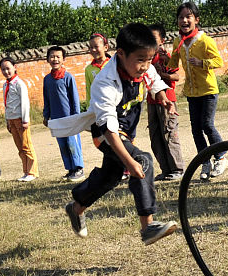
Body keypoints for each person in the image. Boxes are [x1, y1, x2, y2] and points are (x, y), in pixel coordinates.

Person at [59, 23, 178, 245]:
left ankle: (76, 208)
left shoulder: (143, 66)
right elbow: (109, 130)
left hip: (125, 132)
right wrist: (130, 162)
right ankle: (148, 226)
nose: (145, 65)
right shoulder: (105, 83)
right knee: (142, 161)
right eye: (140, 60)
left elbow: (153, 79)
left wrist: (162, 95)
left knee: (110, 176)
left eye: (149, 59)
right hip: (107, 135)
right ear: (121, 54)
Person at [169, 1, 226, 180]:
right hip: (191, 92)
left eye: (188, 17)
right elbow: (172, 65)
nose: (184, 20)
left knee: (207, 125)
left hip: (208, 90)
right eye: (181, 17)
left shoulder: (205, 40)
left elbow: (219, 62)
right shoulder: (178, 41)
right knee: (195, 129)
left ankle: (221, 158)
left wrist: (202, 63)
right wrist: (165, 58)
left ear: (196, 19)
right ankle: (205, 162)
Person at [147, 23, 185, 179]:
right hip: (151, 100)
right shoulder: (147, 57)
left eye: (154, 38)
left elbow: (177, 76)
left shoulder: (165, 57)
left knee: (169, 134)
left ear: (162, 40)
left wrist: (162, 75)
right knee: (155, 136)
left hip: (167, 99)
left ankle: (177, 169)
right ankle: (166, 169)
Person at [42, 46, 85, 180]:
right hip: (56, 119)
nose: (55, 59)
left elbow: (74, 98)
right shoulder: (47, 79)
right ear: (48, 59)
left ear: (63, 59)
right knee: (63, 144)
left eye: (58, 56)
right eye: (52, 56)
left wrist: (76, 116)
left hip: (70, 118)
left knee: (73, 143)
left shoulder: (68, 77)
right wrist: (46, 115)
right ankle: (70, 169)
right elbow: (46, 99)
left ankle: (79, 168)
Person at [0, 57, 39, 181]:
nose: (6, 72)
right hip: (11, 119)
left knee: (26, 145)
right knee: (20, 147)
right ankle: (26, 171)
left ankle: (32, 172)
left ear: (14, 67)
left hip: (20, 119)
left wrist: (25, 120)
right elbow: (6, 103)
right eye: (3, 69)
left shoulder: (19, 84)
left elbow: (25, 102)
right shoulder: (5, 85)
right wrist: (7, 120)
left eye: (8, 68)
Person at [83, 32, 110, 107]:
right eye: (91, 47)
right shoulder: (89, 69)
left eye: (96, 46)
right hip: (98, 106)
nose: (93, 50)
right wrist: (89, 108)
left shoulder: (113, 65)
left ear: (106, 47)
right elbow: (89, 91)